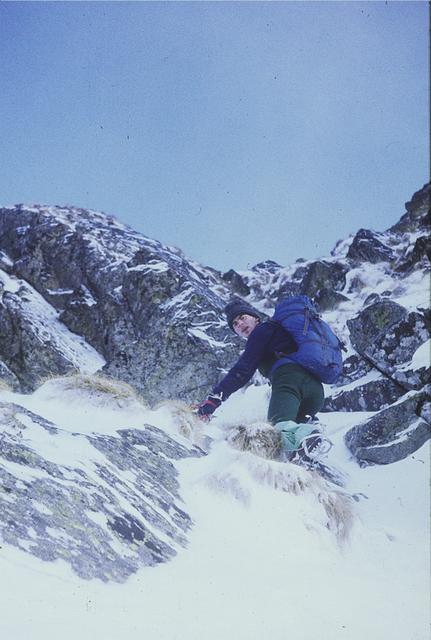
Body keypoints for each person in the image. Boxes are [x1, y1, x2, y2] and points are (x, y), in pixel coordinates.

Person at [196, 299, 329, 463]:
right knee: (289, 442)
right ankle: (304, 456)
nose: (240, 324)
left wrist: (213, 400)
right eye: (235, 324)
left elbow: (241, 371)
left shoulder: (262, 331)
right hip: (314, 391)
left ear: (255, 318)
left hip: (289, 382)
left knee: (278, 428)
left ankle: (309, 435)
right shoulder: (275, 332)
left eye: (243, 317)